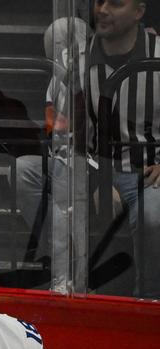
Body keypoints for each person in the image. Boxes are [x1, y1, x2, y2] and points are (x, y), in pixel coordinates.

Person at [81, 0, 160, 298]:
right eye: (99, 2)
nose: (102, 10)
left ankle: (149, 300)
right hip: (93, 167)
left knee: (153, 216)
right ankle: (70, 285)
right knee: (28, 173)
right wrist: (95, 179)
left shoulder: (159, 53)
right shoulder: (78, 58)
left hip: (148, 172)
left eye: (115, 3)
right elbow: (70, 135)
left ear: (139, 12)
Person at [12, 17, 89, 292]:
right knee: (25, 170)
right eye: (58, 47)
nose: (65, 52)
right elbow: (54, 128)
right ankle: (60, 269)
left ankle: (76, 278)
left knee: (66, 197)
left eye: (72, 45)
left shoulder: (100, 74)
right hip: (64, 160)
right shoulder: (55, 82)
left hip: (98, 162)